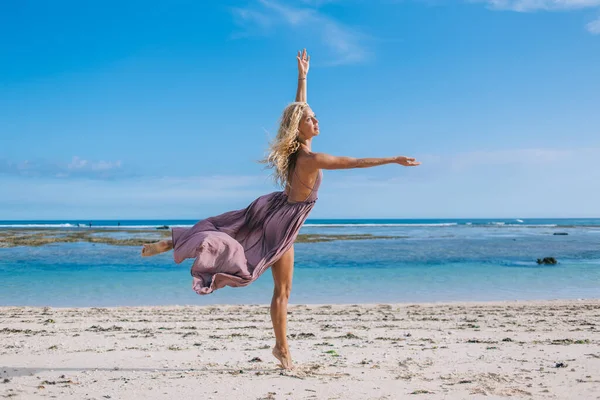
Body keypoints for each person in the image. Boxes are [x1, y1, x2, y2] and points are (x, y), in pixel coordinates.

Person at [141, 49, 421, 369]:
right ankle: (282, 350)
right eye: (311, 119)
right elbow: (354, 163)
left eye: (315, 116)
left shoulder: (296, 151)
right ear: (300, 127)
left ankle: (173, 242)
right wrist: (392, 159)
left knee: (231, 229)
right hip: (284, 221)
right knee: (281, 289)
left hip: (273, 207)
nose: (316, 120)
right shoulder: (311, 159)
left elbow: (298, 110)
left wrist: (303, 77)